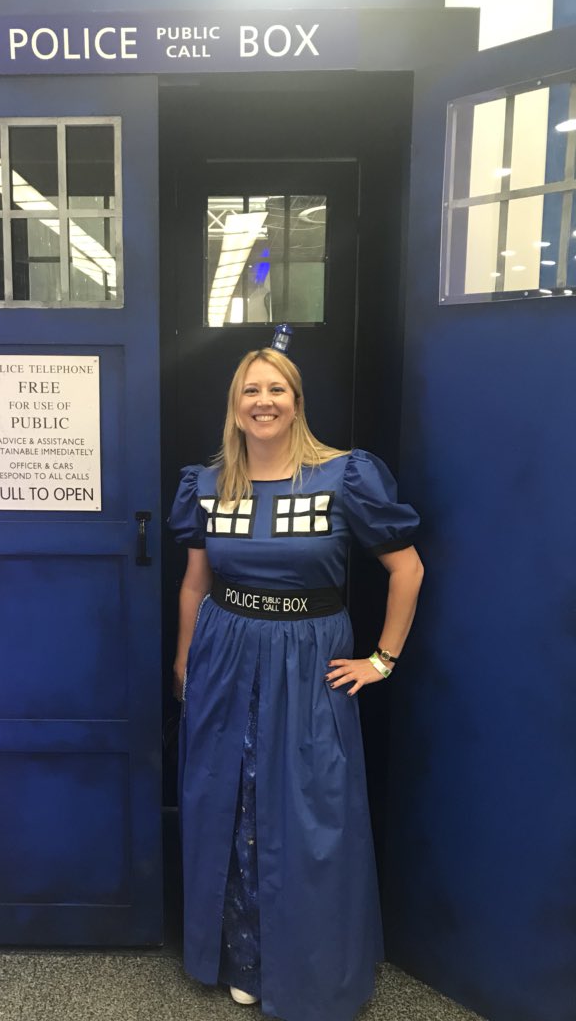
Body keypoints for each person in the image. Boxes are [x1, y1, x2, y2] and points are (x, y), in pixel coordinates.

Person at [168, 347, 423, 1021]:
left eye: (276, 389)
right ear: (235, 406)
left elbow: (407, 568)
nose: (264, 401)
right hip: (224, 655)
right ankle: (243, 959)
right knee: (231, 799)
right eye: (251, 390)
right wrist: (184, 659)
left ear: (297, 401)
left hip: (308, 659)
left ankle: (308, 967)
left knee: (310, 810)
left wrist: (382, 660)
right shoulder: (208, 484)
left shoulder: (343, 476)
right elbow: (195, 583)